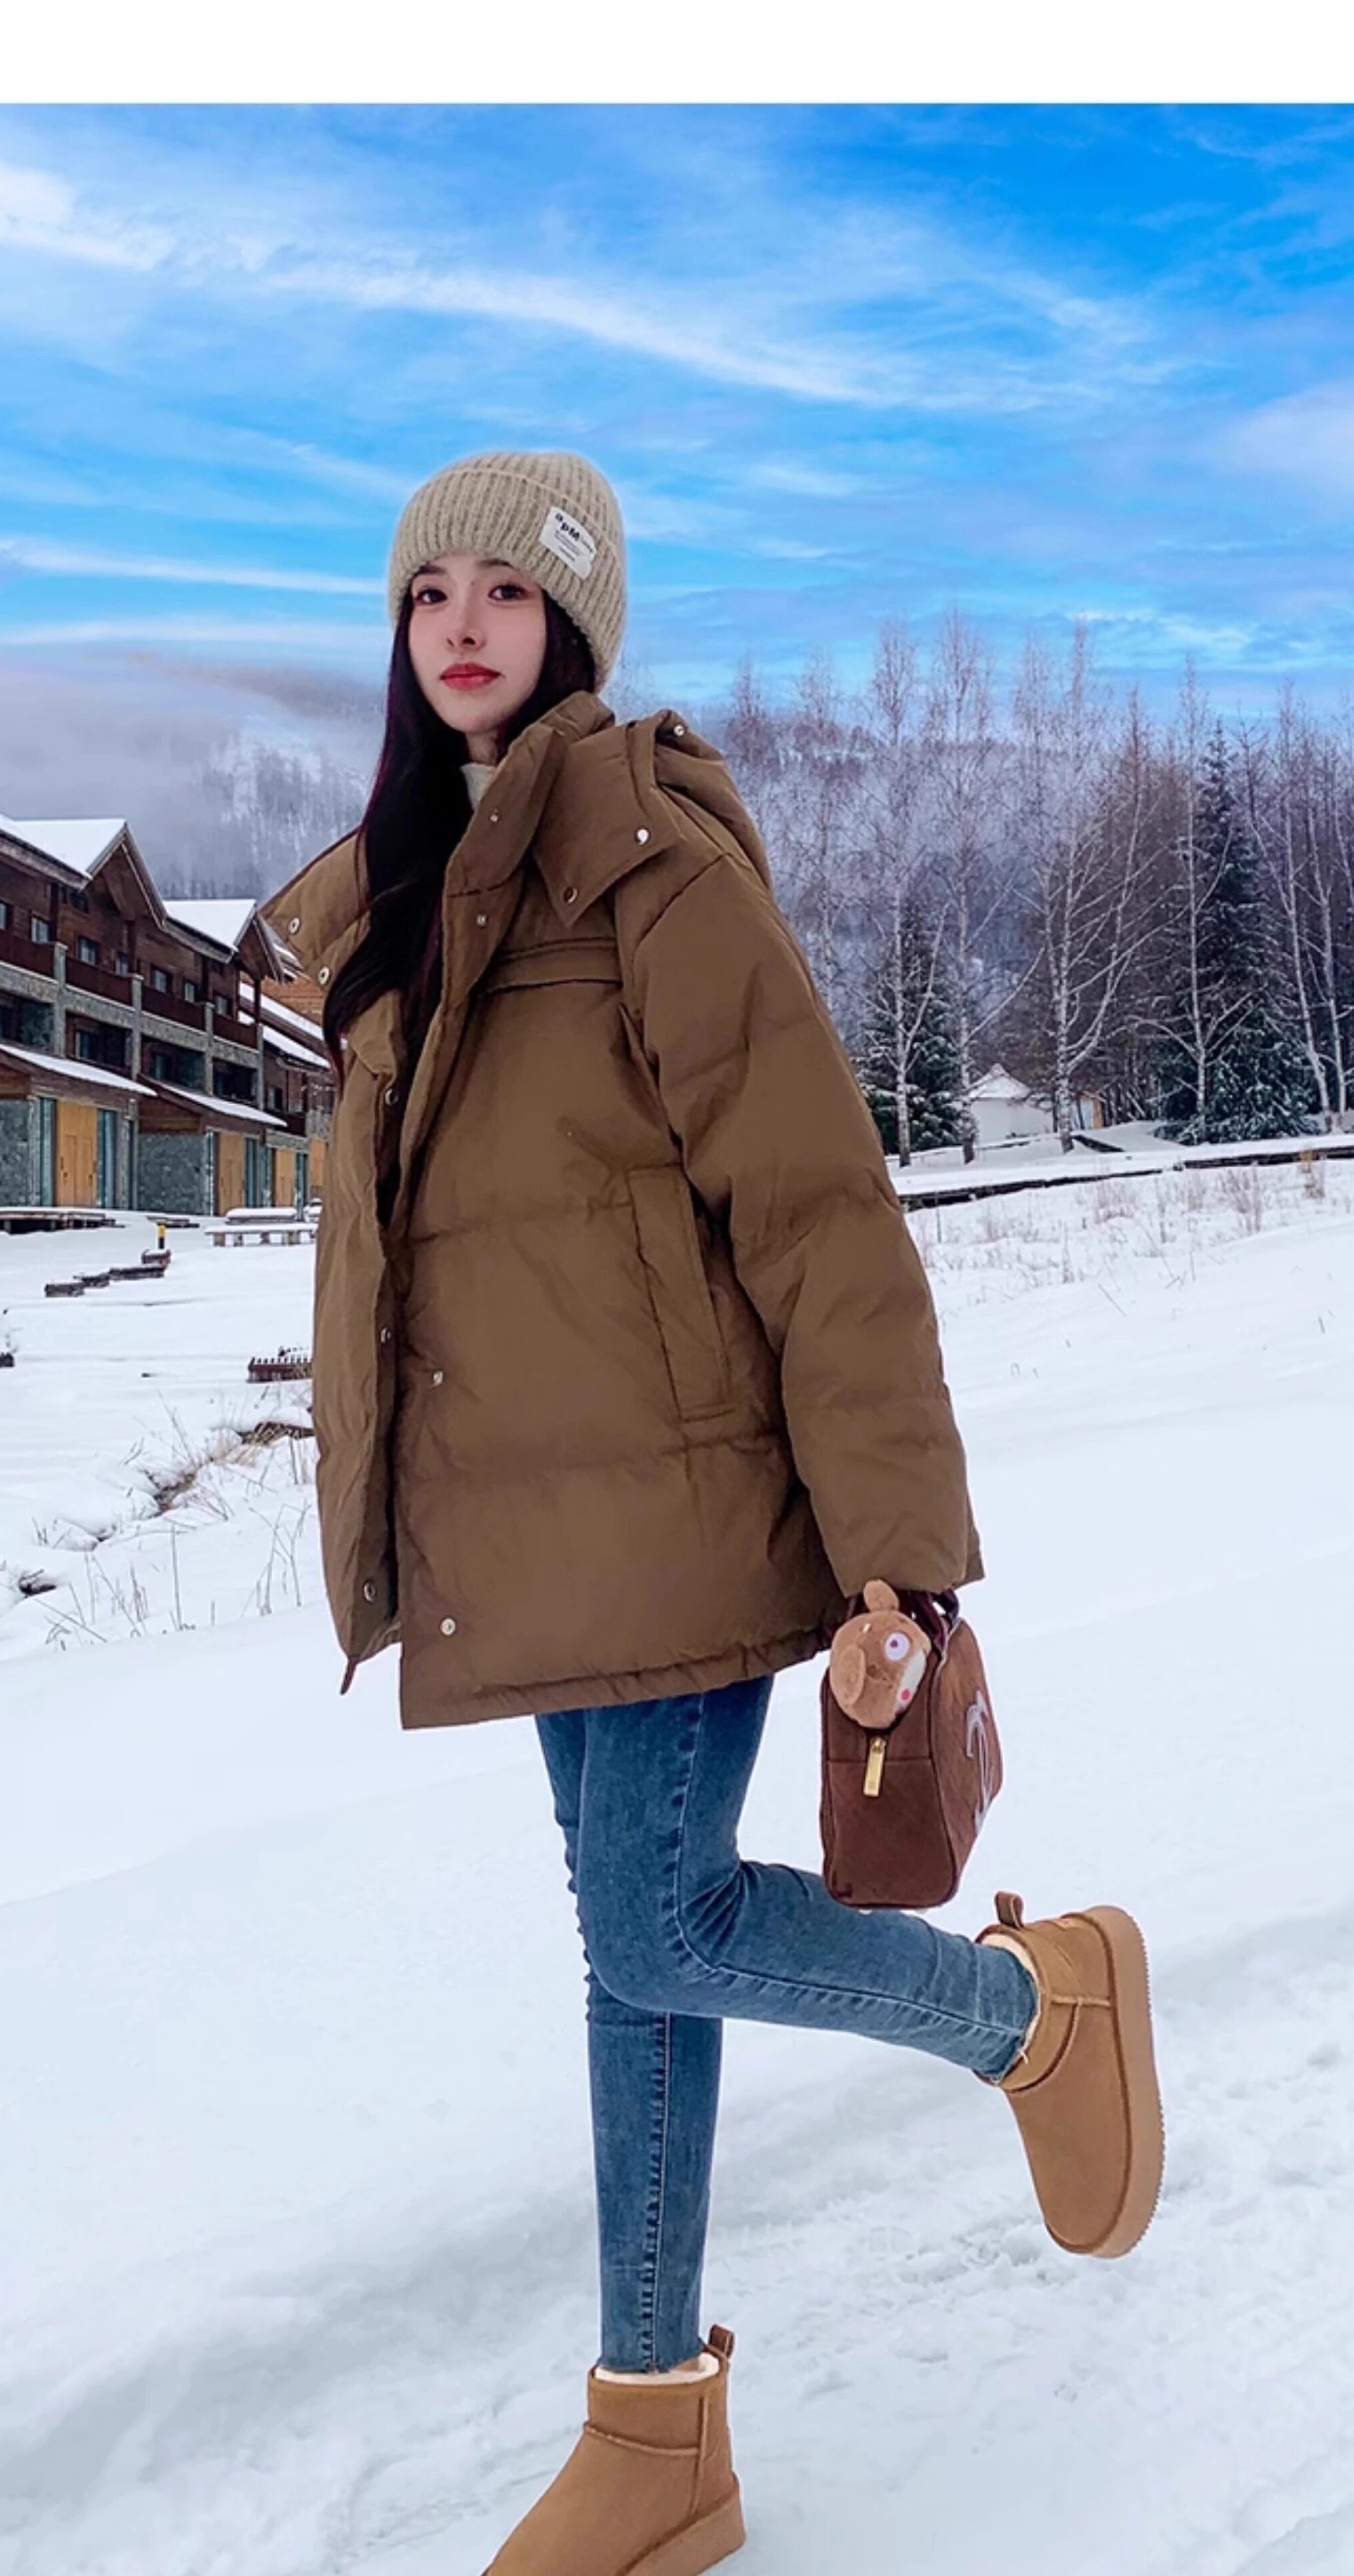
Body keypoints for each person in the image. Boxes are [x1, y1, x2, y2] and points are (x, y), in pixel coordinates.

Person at [262, 451, 1163, 2576]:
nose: (463, 623)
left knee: (656, 1925)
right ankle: (657, 2432)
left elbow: (818, 1211)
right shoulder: (407, 902)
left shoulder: (643, 858)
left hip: (688, 1506)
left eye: (508, 589)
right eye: (430, 592)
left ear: (574, 624)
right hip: (535, 1537)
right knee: (633, 1953)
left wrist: (895, 1558)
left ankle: (1037, 2018)